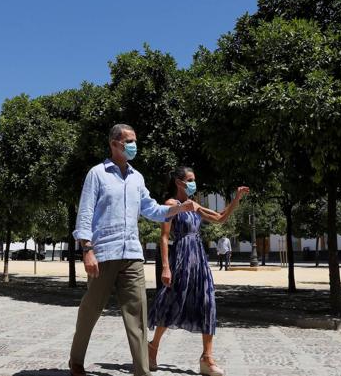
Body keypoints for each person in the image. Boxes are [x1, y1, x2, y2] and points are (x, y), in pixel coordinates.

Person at [69, 124, 199, 376]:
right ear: (114, 143)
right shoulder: (97, 174)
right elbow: (85, 213)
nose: (133, 146)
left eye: (135, 141)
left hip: (132, 256)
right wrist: (87, 248)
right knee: (90, 309)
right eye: (129, 141)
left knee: (137, 316)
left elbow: (151, 209)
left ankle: (142, 371)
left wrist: (179, 209)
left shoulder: (137, 177)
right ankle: (76, 360)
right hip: (104, 254)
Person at [148, 166, 249, 376]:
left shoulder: (194, 206)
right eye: (190, 179)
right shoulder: (170, 205)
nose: (194, 183)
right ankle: (152, 347)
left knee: (207, 301)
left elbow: (220, 218)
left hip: (199, 259)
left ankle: (207, 357)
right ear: (179, 182)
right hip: (181, 258)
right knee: (171, 303)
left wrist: (236, 199)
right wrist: (165, 267)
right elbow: (165, 237)